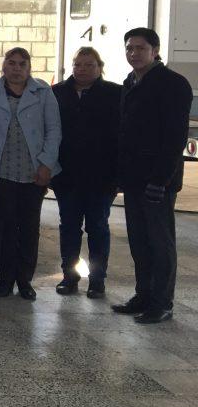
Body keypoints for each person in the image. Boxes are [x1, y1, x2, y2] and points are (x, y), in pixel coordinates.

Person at [113, 28, 192, 324]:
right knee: (139, 241)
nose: (133, 53)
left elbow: (175, 137)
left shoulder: (173, 84)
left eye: (140, 48)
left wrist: (161, 179)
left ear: (155, 51)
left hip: (158, 180)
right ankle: (143, 294)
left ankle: (162, 303)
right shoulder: (130, 82)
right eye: (129, 48)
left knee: (160, 243)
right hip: (133, 178)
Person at [0, 47, 61, 301]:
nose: (16, 69)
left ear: (29, 67)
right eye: (11, 63)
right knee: (5, 227)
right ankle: (5, 279)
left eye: (22, 64)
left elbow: (54, 130)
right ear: (3, 66)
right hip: (2, 172)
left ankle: (25, 280)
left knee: (29, 228)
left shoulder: (43, 92)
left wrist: (46, 164)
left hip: (33, 173)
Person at [49, 47, 121, 298]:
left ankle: (97, 280)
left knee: (98, 227)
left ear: (99, 67)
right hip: (66, 175)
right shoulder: (57, 93)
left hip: (102, 177)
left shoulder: (115, 94)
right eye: (78, 64)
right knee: (69, 227)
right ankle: (69, 277)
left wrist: (118, 176)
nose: (82, 69)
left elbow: (121, 136)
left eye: (89, 65)